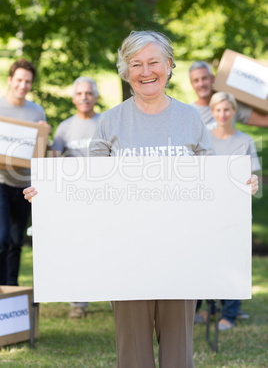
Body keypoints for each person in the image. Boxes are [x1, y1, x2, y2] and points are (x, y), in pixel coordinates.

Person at [24, 31, 258, 367]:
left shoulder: (191, 119)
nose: (146, 71)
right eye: (136, 64)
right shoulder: (111, 121)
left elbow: (212, 182)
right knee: (133, 356)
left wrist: (239, 187)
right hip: (126, 257)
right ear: (125, 70)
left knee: (179, 355)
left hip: (182, 253)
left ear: (169, 65)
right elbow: (90, 188)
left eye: (153, 62)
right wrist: (50, 196)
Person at [208, 91, 261, 331]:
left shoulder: (245, 140)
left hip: (237, 212)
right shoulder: (204, 139)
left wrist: (252, 183)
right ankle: (210, 309)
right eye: (218, 109)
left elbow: (254, 176)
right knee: (209, 261)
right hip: (209, 211)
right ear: (212, 112)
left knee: (233, 262)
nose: (222, 114)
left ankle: (229, 313)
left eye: (226, 109)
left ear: (233, 111)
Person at [50, 76, 100, 318]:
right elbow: (52, 160)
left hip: (104, 195)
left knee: (105, 245)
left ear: (96, 97)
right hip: (75, 197)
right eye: (80, 94)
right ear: (73, 98)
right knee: (78, 247)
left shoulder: (105, 122)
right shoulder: (64, 127)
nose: (84, 97)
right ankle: (78, 303)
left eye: (89, 93)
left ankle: (114, 295)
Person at [0, 59, 47, 285]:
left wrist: (44, 134)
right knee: (2, 238)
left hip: (25, 185)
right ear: (10, 80)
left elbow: (41, 150)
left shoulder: (36, 111)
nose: (22, 85)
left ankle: (11, 289)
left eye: (27, 81)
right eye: (19, 80)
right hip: (1, 181)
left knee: (16, 241)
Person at [189, 61, 268, 130]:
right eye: (196, 80)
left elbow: (265, 121)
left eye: (204, 78)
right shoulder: (189, 113)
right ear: (191, 84)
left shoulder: (229, 103)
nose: (201, 84)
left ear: (212, 78)